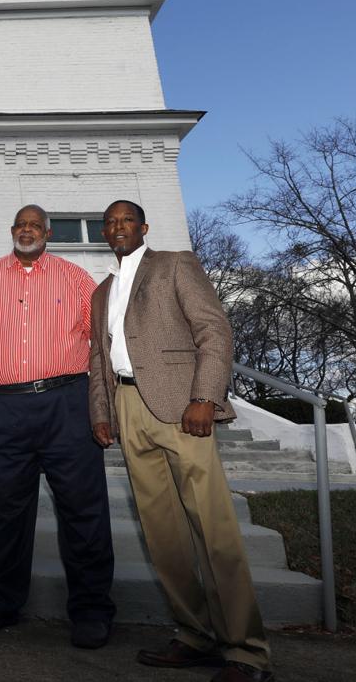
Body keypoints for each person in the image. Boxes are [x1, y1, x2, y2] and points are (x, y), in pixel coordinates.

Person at [88, 200, 273, 682]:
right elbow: (99, 359)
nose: (117, 227)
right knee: (162, 535)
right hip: (128, 409)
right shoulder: (100, 292)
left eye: (126, 220)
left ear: (143, 227)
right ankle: (195, 636)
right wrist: (103, 413)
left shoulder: (175, 265)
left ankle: (246, 652)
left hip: (182, 409)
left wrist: (205, 397)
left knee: (213, 531)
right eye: (110, 223)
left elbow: (214, 330)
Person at [0, 204, 115, 649]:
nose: (27, 231)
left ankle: (92, 610)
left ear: (47, 232)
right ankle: (1, 603)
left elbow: (101, 335)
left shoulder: (75, 278)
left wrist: (104, 401)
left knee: (83, 508)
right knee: (4, 510)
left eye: (35, 225)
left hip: (67, 403)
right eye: (21, 224)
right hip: (5, 408)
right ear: (12, 230)